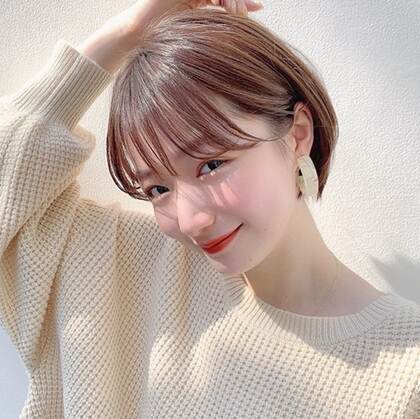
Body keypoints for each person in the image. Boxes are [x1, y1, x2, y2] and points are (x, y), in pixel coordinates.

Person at [0, 0, 418, 417]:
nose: (191, 220)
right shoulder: (119, 269)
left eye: (212, 165)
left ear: (298, 135)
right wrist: (130, 30)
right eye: (158, 188)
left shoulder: (405, 372)